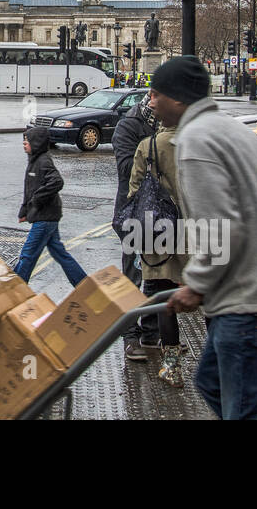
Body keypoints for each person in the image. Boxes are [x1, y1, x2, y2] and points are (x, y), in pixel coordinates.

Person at [156, 56, 257, 420]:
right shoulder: (234, 129)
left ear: (178, 99)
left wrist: (196, 284)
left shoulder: (196, 141)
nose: (150, 101)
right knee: (213, 382)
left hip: (253, 298)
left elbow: (220, 225)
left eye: (156, 93)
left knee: (242, 408)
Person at [126, 111, 188, 387]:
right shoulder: (200, 142)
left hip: (159, 231)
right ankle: (220, 364)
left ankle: (172, 367)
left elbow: (134, 193)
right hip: (201, 229)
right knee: (210, 300)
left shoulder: (149, 145)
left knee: (165, 300)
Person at [14, 126, 88, 286]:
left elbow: (56, 181)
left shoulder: (43, 160)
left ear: (37, 142)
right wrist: (25, 210)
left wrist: (36, 200)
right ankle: (84, 284)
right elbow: (31, 189)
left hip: (45, 217)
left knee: (28, 255)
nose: (24, 143)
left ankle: (15, 290)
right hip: (47, 216)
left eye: (27, 141)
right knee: (60, 254)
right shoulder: (34, 160)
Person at [112, 98, 156, 359]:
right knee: (133, 275)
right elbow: (126, 168)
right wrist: (157, 154)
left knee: (157, 275)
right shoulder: (129, 126)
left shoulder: (167, 125)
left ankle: (152, 333)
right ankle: (130, 335)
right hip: (132, 211)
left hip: (160, 212)